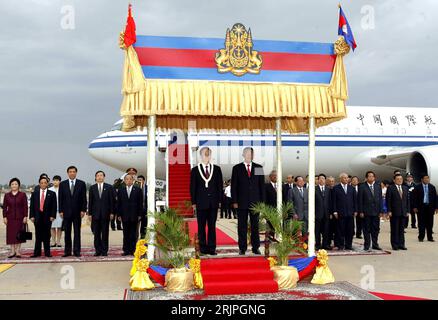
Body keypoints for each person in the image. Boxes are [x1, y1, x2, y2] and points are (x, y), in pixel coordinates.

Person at [231, 147, 265, 255]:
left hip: (255, 202)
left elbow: (262, 186)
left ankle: (256, 247)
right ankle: (242, 248)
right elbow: (234, 186)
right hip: (241, 202)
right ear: (243, 155)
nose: (250, 155)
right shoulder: (237, 168)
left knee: (255, 226)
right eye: (248, 153)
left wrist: (262, 202)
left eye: (251, 153)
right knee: (242, 226)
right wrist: (235, 201)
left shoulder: (258, 167)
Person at [190, 147, 223, 255]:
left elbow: (219, 186)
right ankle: (203, 248)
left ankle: (212, 248)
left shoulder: (217, 169)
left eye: (209, 154)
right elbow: (193, 187)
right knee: (201, 227)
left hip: (213, 203)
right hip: (201, 203)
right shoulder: (195, 170)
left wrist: (219, 200)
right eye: (205, 154)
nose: (207, 156)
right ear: (201, 155)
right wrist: (193, 202)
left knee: (212, 227)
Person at [59, 166, 87, 257]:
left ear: (76, 173)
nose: (72, 173)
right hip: (66, 212)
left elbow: (84, 198)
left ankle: (76, 251)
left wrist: (83, 210)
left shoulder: (81, 184)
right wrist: (61, 210)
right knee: (67, 233)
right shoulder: (62, 184)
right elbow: (60, 199)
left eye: (73, 171)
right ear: (67, 173)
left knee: (77, 233)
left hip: (77, 212)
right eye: (70, 171)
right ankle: (67, 251)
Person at [88, 171, 116, 256]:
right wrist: (90, 214)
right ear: (95, 177)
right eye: (98, 176)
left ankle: (104, 251)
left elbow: (112, 201)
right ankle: (98, 250)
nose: (99, 177)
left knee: (105, 233)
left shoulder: (109, 187)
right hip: (95, 214)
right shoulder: (92, 188)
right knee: (96, 234)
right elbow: (91, 202)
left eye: (101, 175)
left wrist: (112, 212)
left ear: (104, 177)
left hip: (106, 214)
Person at [29, 177, 57, 258]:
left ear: (47, 184)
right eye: (42, 182)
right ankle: (37, 252)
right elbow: (32, 206)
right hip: (37, 217)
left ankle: (47, 252)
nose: (43, 184)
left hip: (47, 218)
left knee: (47, 235)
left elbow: (54, 206)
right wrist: (32, 216)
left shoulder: (52, 194)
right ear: (39, 184)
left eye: (45, 182)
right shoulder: (35, 193)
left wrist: (53, 216)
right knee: (38, 235)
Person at [117, 174, 143, 256]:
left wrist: (139, 214)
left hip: (134, 215)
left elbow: (140, 203)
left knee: (133, 234)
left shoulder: (138, 190)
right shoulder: (121, 190)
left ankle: (133, 250)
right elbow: (119, 204)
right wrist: (119, 215)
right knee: (126, 233)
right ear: (124, 181)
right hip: (124, 215)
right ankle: (126, 250)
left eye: (130, 179)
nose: (128, 181)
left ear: (133, 180)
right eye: (126, 179)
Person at [2, 178, 28, 258]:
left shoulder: (22, 195)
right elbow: (4, 207)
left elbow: (25, 206)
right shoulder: (7, 195)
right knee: (11, 235)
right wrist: (4, 217)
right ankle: (12, 251)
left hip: (20, 218)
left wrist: (25, 216)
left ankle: (18, 251)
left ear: (18, 185)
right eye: (12, 184)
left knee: (20, 234)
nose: (14, 185)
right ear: (10, 185)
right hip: (10, 218)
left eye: (16, 184)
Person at [358, 171, 383, 251]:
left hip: (376, 212)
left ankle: (375, 244)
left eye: (372, 176)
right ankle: (367, 244)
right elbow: (360, 200)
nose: (371, 178)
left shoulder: (378, 186)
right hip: (366, 212)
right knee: (366, 229)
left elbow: (380, 199)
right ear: (366, 178)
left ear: (374, 178)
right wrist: (361, 211)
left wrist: (381, 211)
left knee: (375, 229)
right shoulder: (362, 186)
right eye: (369, 176)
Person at [332, 172, 357, 250]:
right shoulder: (336, 188)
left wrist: (356, 210)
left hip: (350, 213)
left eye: (347, 178)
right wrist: (335, 211)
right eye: (344, 178)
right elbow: (334, 201)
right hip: (340, 213)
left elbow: (355, 200)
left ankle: (348, 245)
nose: (346, 179)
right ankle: (340, 245)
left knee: (350, 230)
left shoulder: (351, 188)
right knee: (340, 230)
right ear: (341, 179)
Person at [386, 174, 409, 250]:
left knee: (401, 229)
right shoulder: (390, 188)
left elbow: (407, 201)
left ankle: (401, 244)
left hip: (403, 212)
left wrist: (408, 211)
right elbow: (388, 200)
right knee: (394, 229)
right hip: (394, 212)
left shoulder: (405, 188)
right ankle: (395, 245)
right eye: (398, 179)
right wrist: (389, 210)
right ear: (394, 180)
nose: (400, 180)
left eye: (401, 179)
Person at [413, 174, 438, 242]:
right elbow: (414, 198)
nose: (427, 180)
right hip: (421, 207)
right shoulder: (417, 187)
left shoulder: (432, 187)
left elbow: (435, 198)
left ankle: (430, 237)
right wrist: (415, 207)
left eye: (428, 178)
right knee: (421, 222)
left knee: (430, 222)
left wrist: (436, 207)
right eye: (425, 178)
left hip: (430, 207)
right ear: (422, 179)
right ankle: (421, 237)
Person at [315, 174, 332, 250]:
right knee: (317, 230)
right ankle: (318, 245)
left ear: (325, 180)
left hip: (326, 213)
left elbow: (330, 201)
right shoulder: (314, 189)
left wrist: (331, 213)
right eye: (320, 179)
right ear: (318, 180)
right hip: (317, 214)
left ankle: (325, 244)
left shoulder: (328, 189)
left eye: (323, 179)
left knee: (326, 230)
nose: (322, 180)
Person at [49, 175, 63, 247]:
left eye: (57, 180)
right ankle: (53, 241)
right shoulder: (50, 189)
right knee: (52, 227)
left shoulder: (63, 189)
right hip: (51, 211)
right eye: (54, 180)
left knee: (60, 227)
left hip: (60, 211)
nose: (55, 182)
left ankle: (58, 241)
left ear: (60, 181)